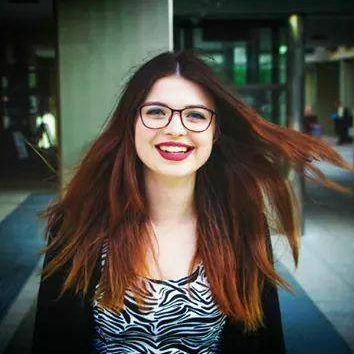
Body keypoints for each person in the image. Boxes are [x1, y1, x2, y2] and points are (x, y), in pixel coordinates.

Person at [32, 51, 354, 354]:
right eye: (156, 112)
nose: (175, 129)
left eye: (196, 115)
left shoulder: (239, 227)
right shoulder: (78, 225)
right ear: (130, 124)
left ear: (214, 132)